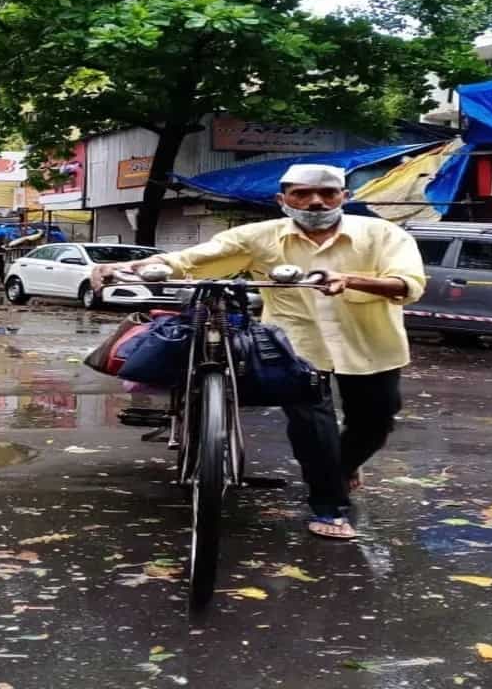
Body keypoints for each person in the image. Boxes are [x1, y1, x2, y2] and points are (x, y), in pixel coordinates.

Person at [92, 164, 426, 540]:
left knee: (375, 422)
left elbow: (408, 284)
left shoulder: (383, 234)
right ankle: (329, 507)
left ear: (345, 198)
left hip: (372, 344)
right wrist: (128, 267)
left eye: (327, 194)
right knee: (312, 425)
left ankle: (344, 466)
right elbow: (192, 259)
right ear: (282, 200)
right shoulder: (258, 237)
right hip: (296, 346)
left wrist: (349, 279)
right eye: (302, 194)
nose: (315, 202)